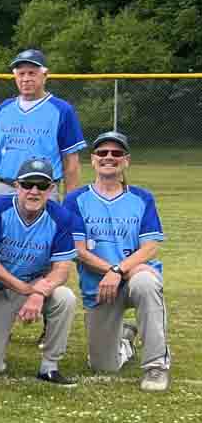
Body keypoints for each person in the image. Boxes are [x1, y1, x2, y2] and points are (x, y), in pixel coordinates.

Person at [66, 131, 169, 391]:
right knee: (103, 366)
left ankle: (156, 366)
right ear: (93, 160)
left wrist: (119, 269)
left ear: (126, 160)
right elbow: (78, 250)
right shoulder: (76, 199)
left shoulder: (141, 197)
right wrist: (111, 270)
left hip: (134, 276)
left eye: (116, 153)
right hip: (99, 288)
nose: (109, 157)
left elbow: (150, 247)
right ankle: (125, 339)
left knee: (146, 282)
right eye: (102, 153)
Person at [0, 158, 81, 385]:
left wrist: (38, 293)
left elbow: (62, 270)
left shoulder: (61, 217)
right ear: (16, 186)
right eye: (28, 184)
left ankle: (50, 366)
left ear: (51, 189)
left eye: (42, 185)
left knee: (65, 297)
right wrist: (24, 288)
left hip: (33, 286)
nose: (34, 191)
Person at [0, 48, 86, 209]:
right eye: (21, 74)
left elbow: (71, 162)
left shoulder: (62, 110)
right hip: (4, 188)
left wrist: (70, 204)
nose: (26, 79)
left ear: (44, 75)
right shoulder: (4, 109)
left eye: (32, 73)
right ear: (15, 76)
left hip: (42, 190)